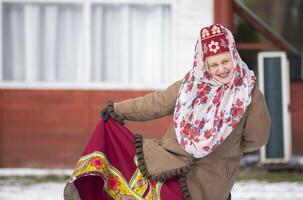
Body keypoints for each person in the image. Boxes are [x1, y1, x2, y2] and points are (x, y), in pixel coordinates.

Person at [64, 24, 271, 200]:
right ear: (204, 64)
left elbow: (257, 139)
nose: (221, 69)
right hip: (168, 167)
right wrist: (118, 109)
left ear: (234, 57)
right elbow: (157, 103)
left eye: (226, 61)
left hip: (210, 182)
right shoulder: (191, 85)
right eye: (213, 64)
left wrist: (227, 146)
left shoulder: (248, 94)